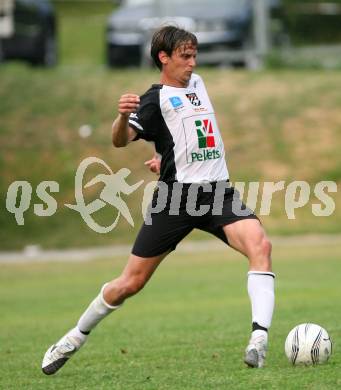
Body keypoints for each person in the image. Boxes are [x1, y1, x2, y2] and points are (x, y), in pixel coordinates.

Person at [42, 26, 275, 375]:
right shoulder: (152, 99)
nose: (192, 63)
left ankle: (258, 339)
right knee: (130, 283)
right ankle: (73, 338)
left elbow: (185, 134)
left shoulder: (197, 85)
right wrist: (122, 116)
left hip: (216, 192)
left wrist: (164, 156)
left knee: (261, 245)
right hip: (176, 200)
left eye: (194, 55)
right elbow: (121, 140)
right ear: (163, 58)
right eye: (185, 56)